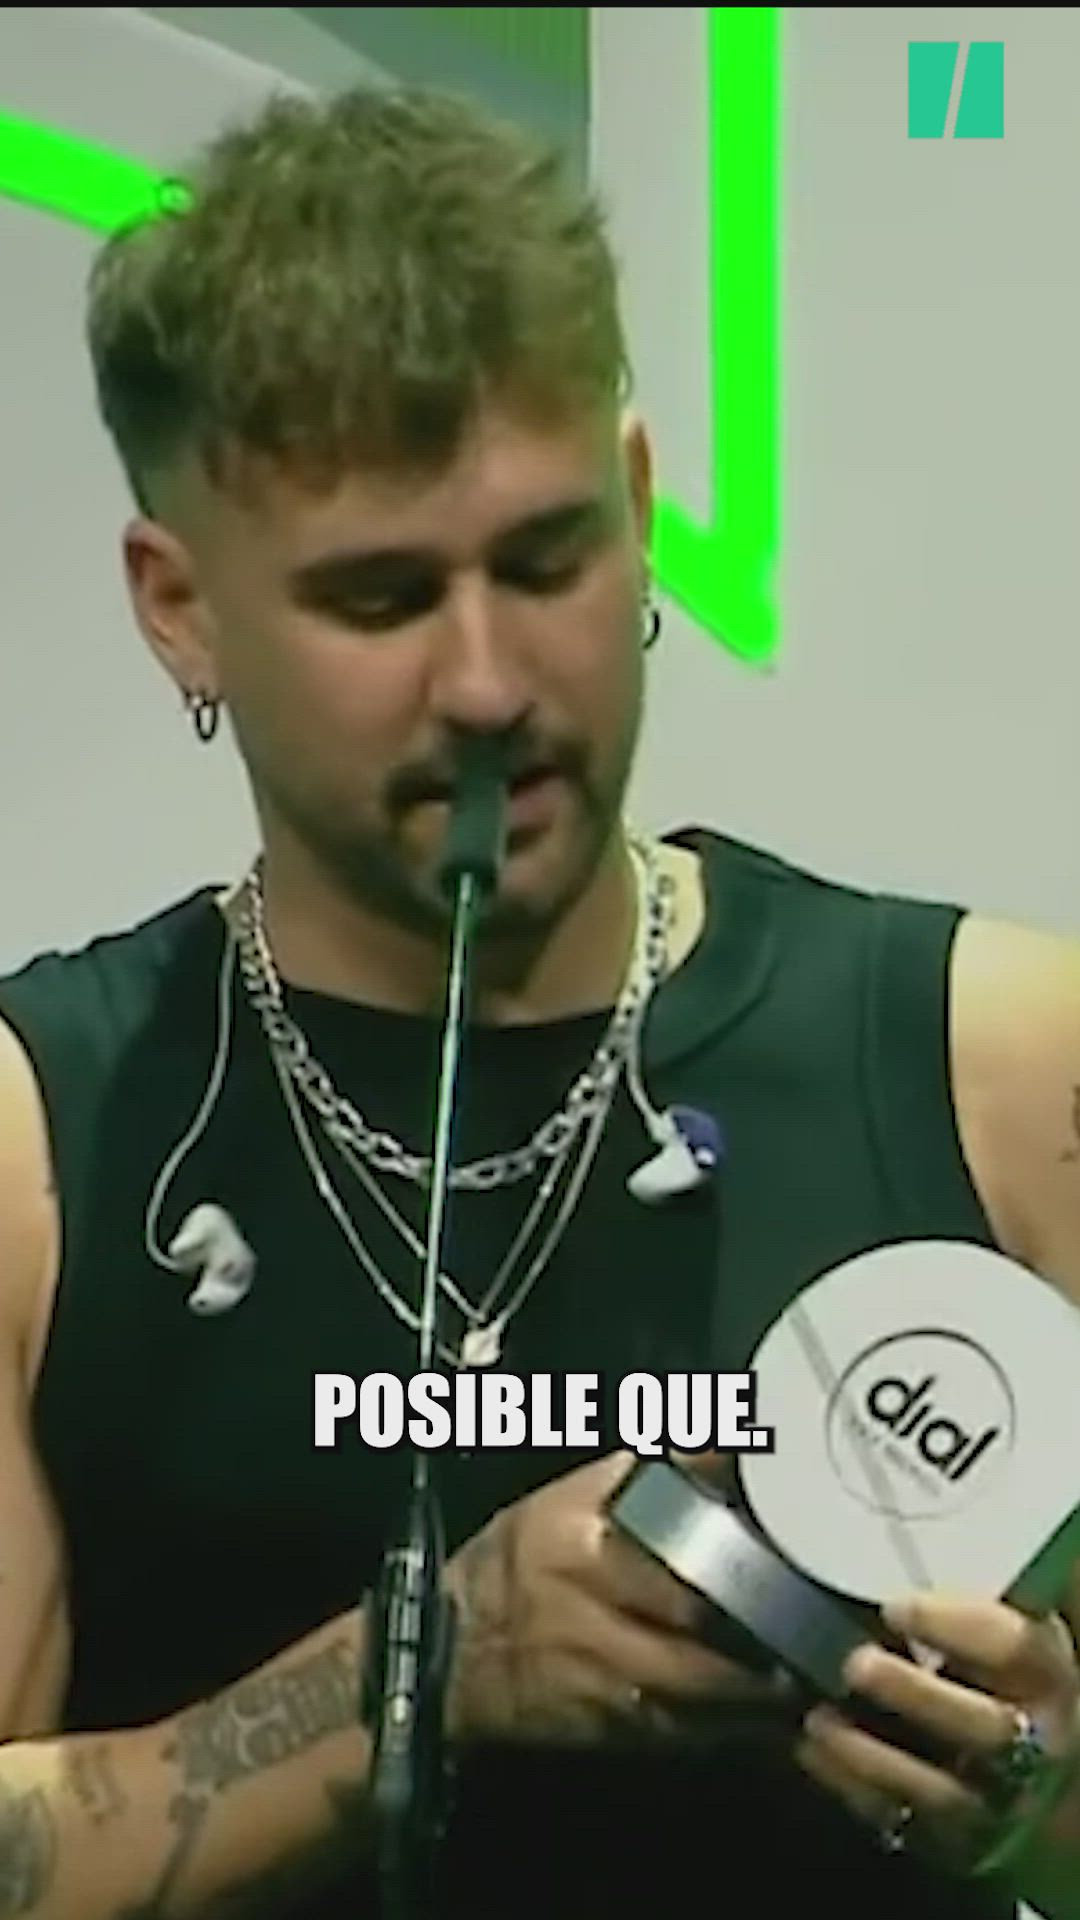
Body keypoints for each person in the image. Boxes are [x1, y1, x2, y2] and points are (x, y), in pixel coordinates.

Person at [0, 78, 1077, 1920]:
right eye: (380, 599)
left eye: (549, 558)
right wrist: (425, 1668)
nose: (492, 681)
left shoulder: (1006, 1067)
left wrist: (1045, 1795)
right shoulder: (42, 1143)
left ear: (641, 506)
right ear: (180, 606)